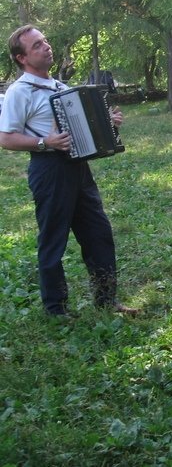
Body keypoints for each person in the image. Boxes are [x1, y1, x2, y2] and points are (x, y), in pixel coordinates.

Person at [0, 25, 138, 317]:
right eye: (37, 45)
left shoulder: (61, 88)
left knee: (98, 234)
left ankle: (106, 300)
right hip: (48, 170)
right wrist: (42, 142)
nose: (46, 46)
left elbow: (85, 128)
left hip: (78, 168)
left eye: (45, 41)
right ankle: (56, 308)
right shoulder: (19, 92)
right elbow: (6, 138)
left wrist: (108, 122)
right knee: (53, 239)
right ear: (21, 58)